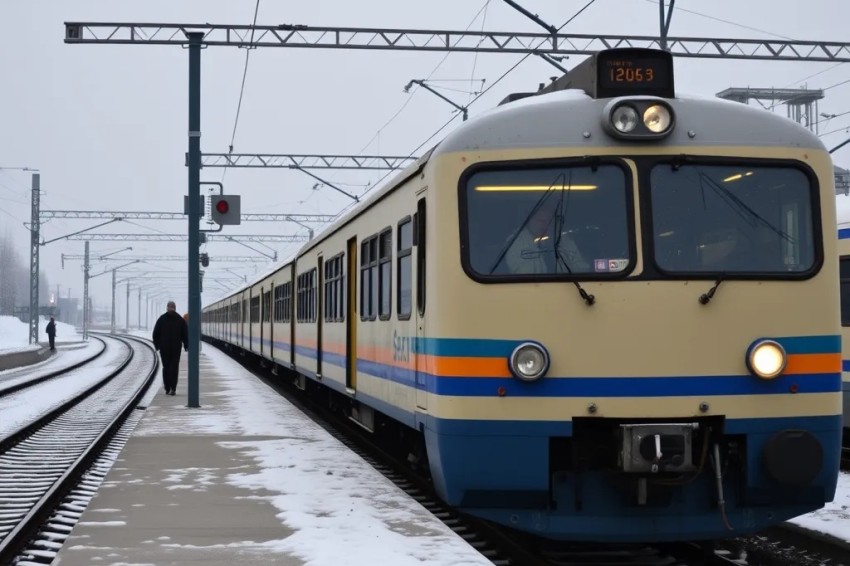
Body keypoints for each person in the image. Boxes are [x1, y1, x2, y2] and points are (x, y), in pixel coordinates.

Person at [502, 198, 589, 274]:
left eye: (549, 221)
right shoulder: (516, 241)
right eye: (541, 221)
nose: (546, 225)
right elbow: (521, 273)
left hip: (566, 285)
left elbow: (582, 268)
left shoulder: (563, 240)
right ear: (529, 221)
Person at [152, 301, 188, 396]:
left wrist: (186, 345)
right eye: (170, 307)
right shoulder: (178, 319)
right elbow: (155, 334)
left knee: (171, 368)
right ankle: (169, 388)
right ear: (167, 308)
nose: (171, 309)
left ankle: (171, 388)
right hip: (168, 348)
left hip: (172, 349)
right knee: (169, 368)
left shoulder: (165, 319)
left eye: (172, 307)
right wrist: (157, 345)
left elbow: (185, 334)